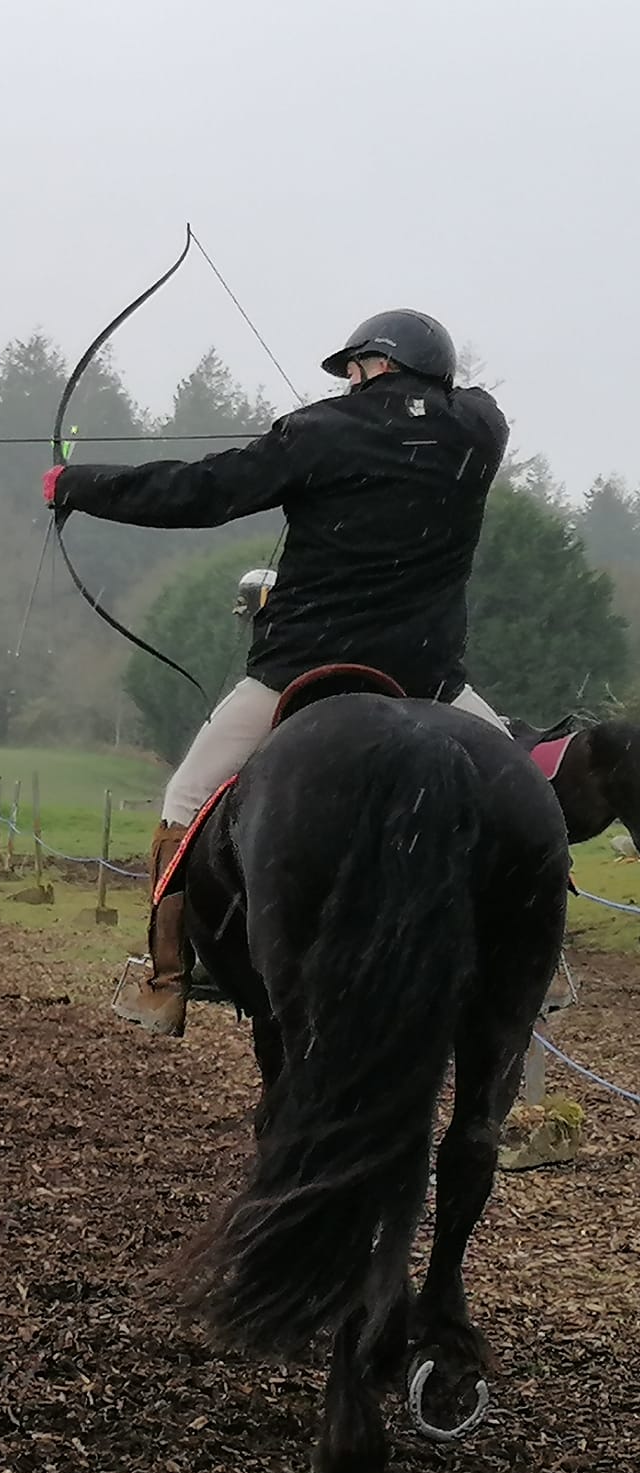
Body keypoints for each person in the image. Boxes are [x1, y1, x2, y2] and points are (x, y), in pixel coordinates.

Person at [43, 308, 511, 1036]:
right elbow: (462, 400)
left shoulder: (319, 431)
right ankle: (532, 972)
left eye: (355, 370)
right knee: (522, 799)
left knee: (188, 795)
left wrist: (79, 484)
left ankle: (166, 978)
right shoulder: (480, 431)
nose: (350, 382)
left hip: (304, 668)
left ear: (375, 364)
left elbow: (197, 492)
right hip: (431, 681)